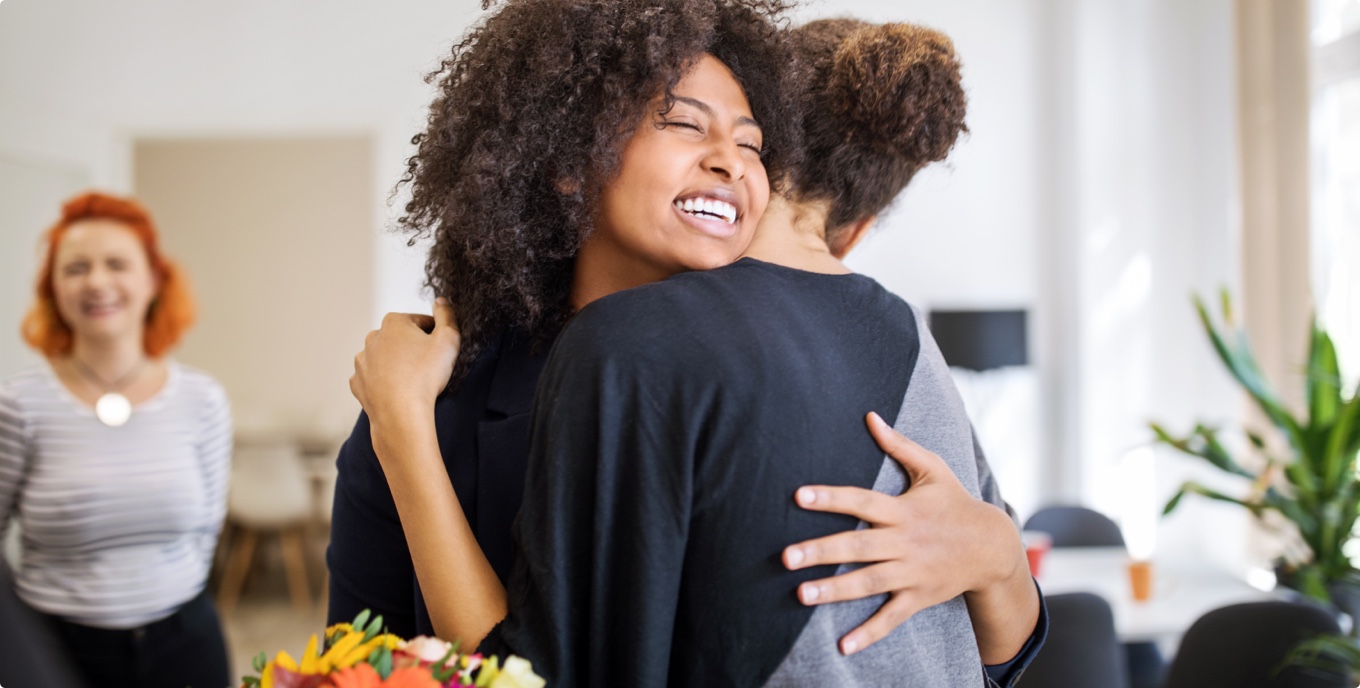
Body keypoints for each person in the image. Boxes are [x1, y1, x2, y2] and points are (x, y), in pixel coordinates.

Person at [470, 19, 1042, 686]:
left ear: (761, 152)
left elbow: (537, 673)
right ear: (854, 231)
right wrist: (1004, 557)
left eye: (744, 137)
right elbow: (1001, 653)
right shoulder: (912, 342)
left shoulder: (628, 342)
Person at [329, 0, 801, 640]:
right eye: (684, 124)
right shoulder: (431, 404)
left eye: (751, 143)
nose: (733, 161)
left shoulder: (780, 380)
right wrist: (403, 428)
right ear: (569, 164)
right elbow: (358, 663)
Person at [0, 192, 233, 688]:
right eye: (76, 267)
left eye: (116, 264)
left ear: (152, 281)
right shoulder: (17, 405)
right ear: (53, 288)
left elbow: (206, 533)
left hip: (187, 645)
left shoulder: (203, 399)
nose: (98, 281)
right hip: (56, 652)